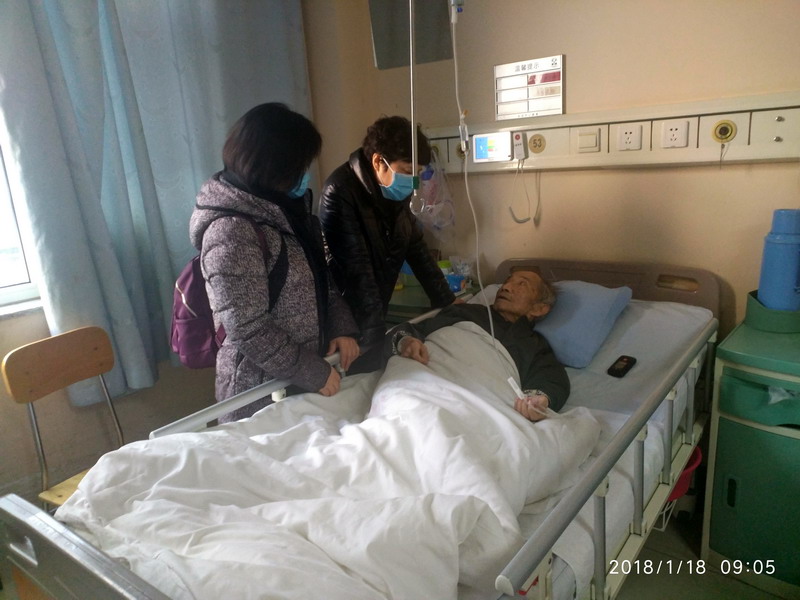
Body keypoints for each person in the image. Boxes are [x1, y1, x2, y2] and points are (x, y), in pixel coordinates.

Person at [190, 103, 360, 422]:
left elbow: (321, 279)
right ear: (272, 167)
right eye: (300, 166)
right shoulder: (231, 232)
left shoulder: (288, 212)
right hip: (258, 392)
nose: (306, 175)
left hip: (302, 378)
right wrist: (312, 372)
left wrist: (341, 328)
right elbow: (247, 327)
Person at [319, 116, 456, 371]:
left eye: (417, 174)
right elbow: (357, 270)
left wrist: (447, 301)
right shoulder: (340, 191)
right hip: (346, 318)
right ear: (378, 162)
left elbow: (416, 248)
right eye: (406, 171)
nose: (412, 181)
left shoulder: (394, 192)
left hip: (374, 306)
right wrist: (376, 338)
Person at [386, 270, 569, 421]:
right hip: (425, 374)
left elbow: (552, 379)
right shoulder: (466, 311)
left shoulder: (534, 345)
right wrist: (407, 341)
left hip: (476, 397)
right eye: (507, 281)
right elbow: (417, 330)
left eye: (522, 284)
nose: (505, 287)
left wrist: (538, 402)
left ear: (539, 308)